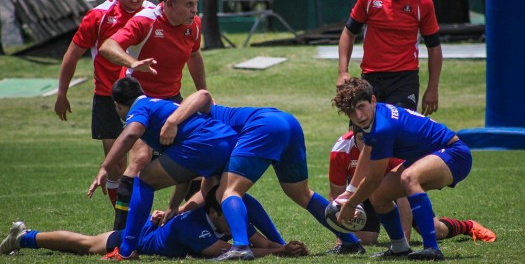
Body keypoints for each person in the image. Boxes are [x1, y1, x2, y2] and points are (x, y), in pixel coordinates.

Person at [159, 89, 367, 261]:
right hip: (287, 121)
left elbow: (203, 94)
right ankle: (350, 242)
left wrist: (172, 122)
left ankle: (240, 247)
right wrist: (178, 210)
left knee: (229, 192)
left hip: (262, 126)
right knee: (301, 194)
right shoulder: (206, 125)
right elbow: (207, 190)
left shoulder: (193, 121)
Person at [97, 0, 206, 230]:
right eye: (188, 4)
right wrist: (133, 63)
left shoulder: (194, 24)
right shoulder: (146, 21)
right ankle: (122, 235)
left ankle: (191, 226)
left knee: (197, 159)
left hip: (172, 101)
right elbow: (108, 47)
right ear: (169, 4)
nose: (194, 10)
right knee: (139, 160)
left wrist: (203, 95)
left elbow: (194, 55)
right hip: (142, 103)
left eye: (196, 4)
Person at [87, 77, 237, 260]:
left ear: (117, 105)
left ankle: (127, 250)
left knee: (144, 180)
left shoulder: (139, 108)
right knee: (229, 193)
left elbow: (131, 133)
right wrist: (173, 207)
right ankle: (273, 243)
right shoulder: (160, 105)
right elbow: (185, 173)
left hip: (205, 142)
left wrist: (104, 167)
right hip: (227, 140)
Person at [332, 77, 474, 261]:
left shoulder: (382, 128)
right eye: (351, 112)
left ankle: (432, 248)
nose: (359, 116)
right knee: (379, 195)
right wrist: (350, 192)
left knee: (409, 177)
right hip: (429, 155)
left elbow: (373, 179)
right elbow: (367, 152)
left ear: (373, 100)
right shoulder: (373, 119)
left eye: (361, 106)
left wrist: (351, 205)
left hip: (454, 153)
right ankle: (399, 247)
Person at [54, 0, 155, 210]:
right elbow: (72, 54)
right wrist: (62, 93)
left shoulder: (153, 13)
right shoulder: (99, 16)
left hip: (146, 97)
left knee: (144, 160)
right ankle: (123, 222)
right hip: (107, 97)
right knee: (116, 165)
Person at [0, 186, 308, 260]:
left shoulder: (229, 220)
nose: (235, 220)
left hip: (157, 221)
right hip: (140, 238)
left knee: (88, 242)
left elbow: (260, 243)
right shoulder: (194, 226)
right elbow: (225, 251)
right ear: (213, 213)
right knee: (87, 244)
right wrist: (279, 253)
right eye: (228, 213)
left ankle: (24, 237)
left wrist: (282, 246)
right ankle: (25, 237)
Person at [328, 127, 496, 246]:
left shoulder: (385, 146)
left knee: (436, 231)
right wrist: (341, 238)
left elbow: (402, 194)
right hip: (363, 196)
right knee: (365, 239)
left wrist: (404, 240)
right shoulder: (341, 150)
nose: (366, 145)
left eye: (367, 139)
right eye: (360, 139)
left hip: (396, 192)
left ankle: (468, 226)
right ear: (352, 133)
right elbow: (337, 196)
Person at [337, 0, 442, 116]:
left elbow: (434, 48)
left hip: (404, 80)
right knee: (361, 133)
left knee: (400, 132)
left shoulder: (423, 3)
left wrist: (432, 88)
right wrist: (343, 71)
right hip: (371, 78)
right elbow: (348, 33)